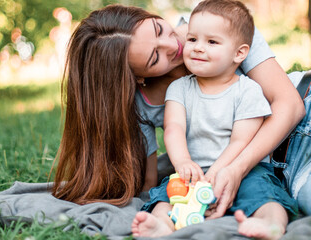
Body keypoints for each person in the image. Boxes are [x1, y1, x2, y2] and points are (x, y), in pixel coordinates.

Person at [51, 1, 309, 216]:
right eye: (155, 58)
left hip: (302, 122)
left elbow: (290, 105)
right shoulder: (142, 104)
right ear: (137, 77)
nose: (174, 46)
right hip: (279, 170)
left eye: (159, 28)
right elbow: (148, 185)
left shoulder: (219, 21)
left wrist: (234, 169)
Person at [131, 1, 298, 239]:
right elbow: (173, 129)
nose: (198, 48)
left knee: (264, 194)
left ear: (239, 53)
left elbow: (241, 141)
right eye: (192, 40)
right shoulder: (179, 89)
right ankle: (161, 225)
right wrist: (183, 163)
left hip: (243, 167)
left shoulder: (247, 90)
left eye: (211, 42)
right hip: (193, 170)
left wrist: (222, 171)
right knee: (166, 196)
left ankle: (270, 224)